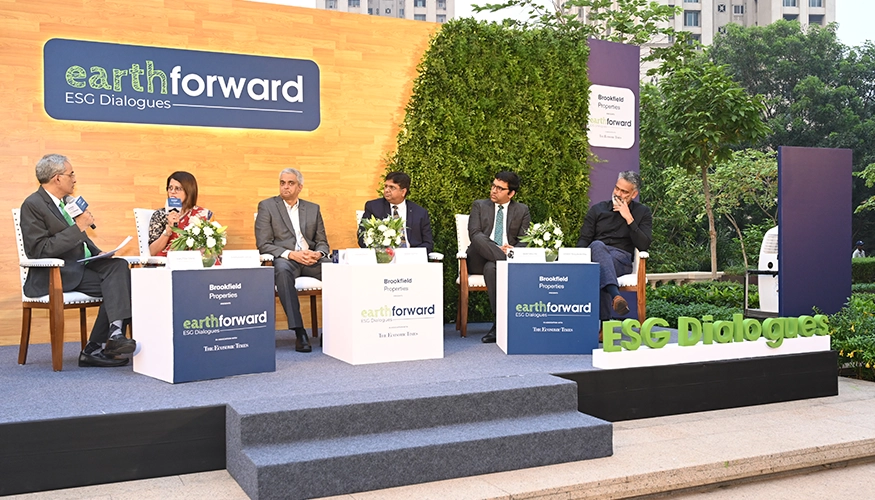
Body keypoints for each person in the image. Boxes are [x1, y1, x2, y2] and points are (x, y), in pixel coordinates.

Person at [19, 154, 135, 367]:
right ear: (57, 178)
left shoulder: (66, 203)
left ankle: (112, 336)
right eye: (71, 174)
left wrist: (99, 253)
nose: (74, 178)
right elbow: (38, 250)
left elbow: (79, 241)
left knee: (119, 267)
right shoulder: (33, 204)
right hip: (55, 275)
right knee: (119, 284)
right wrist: (78, 226)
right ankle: (97, 346)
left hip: (80, 267)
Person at [255, 168, 330, 353]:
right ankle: (299, 332)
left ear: (300, 187)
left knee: (336, 271)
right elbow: (264, 244)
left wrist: (318, 254)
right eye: (282, 183)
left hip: (311, 259)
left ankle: (331, 329)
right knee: (281, 270)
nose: (285, 187)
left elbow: (322, 242)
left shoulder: (313, 208)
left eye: (290, 183)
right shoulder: (267, 206)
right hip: (286, 259)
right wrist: (291, 254)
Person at [577, 170, 652, 326]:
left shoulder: (642, 212)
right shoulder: (598, 210)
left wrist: (629, 218)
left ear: (633, 194)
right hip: (596, 254)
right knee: (598, 248)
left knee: (600, 267)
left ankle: (605, 326)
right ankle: (615, 297)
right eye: (617, 188)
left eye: (624, 191)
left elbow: (644, 245)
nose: (618, 193)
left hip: (621, 259)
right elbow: (584, 240)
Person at [467, 171, 531, 343]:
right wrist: (499, 251)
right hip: (479, 257)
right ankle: (506, 263)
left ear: (511, 193)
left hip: (496, 263)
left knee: (492, 268)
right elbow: (474, 234)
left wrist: (513, 249)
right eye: (493, 185)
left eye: (500, 188)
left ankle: (499, 323)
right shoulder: (479, 206)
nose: (494, 190)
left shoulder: (522, 210)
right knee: (479, 237)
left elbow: (525, 240)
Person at [358, 172, 434, 253]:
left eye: (392, 187)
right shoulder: (373, 207)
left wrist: (412, 255)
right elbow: (362, 237)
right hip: (383, 257)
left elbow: (428, 243)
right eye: (386, 186)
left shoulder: (420, 212)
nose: (387, 190)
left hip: (411, 259)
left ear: (403, 192)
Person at [148, 171, 213, 256]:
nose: (172, 192)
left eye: (177, 188)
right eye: (170, 188)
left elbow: (212, 247)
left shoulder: (202, 214)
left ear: (189, 191)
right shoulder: (160, 215)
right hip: (167, 263)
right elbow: (152, 252)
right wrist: (168, 231)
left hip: (194, 262)